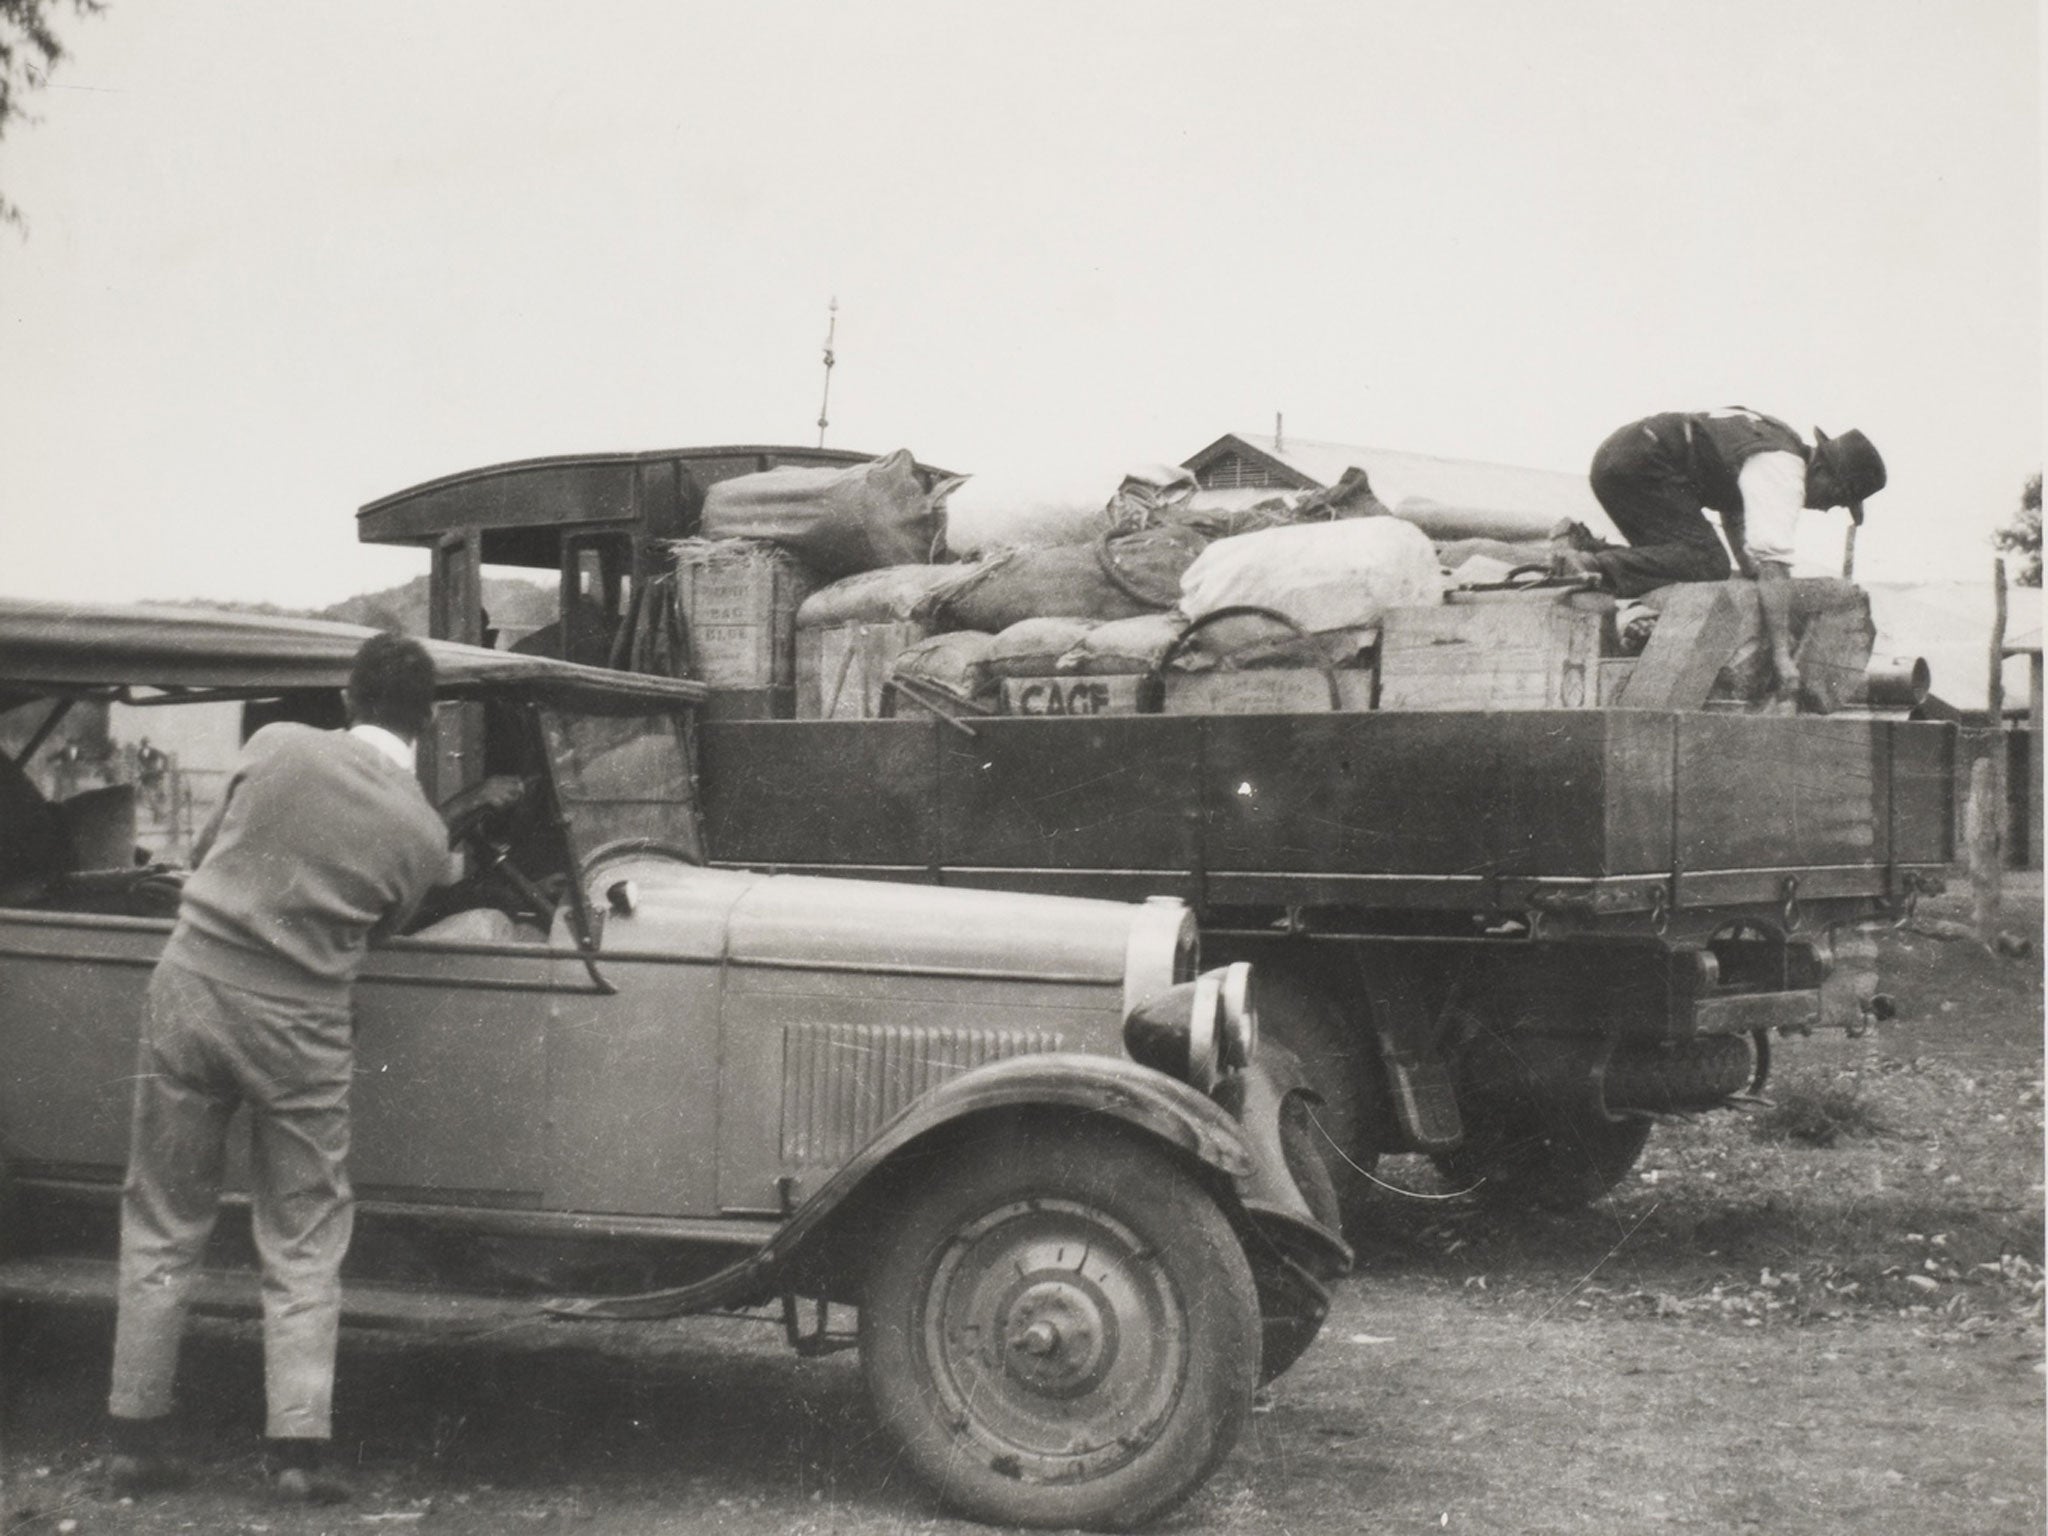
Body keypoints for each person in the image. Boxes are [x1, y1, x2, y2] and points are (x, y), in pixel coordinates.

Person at [105, 634, 463, 1505]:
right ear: (429, 722)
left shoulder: (274, 746)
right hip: (301, 1023)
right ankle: (297, 1452)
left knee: (163, 1213)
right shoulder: (424, 832)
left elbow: (215, 850)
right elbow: (381, 928)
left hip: (190, 987)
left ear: (346, 697)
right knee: (303, 1231)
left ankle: (136, 1434)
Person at [1555, 408, 1886, 698]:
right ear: (1822, 471)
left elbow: (1734, 513)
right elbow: (1774, 563)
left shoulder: (1772, 440)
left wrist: (1748, 570)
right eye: (1837, 497)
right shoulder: (1783, 470)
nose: (1828, 508)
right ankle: (1592, 561)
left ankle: (1587, 549)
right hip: (1644, 463)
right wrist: (1783, 657)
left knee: (1669, 559)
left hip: (1620, 456)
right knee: (1706, 561)